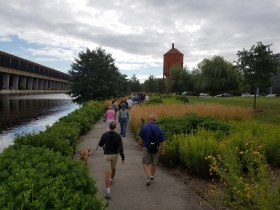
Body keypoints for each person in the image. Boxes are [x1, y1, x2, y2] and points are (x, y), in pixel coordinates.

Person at [98, 121, 125, 199]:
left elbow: (100, 144)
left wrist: (101, 143)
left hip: (107, 155)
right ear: (115, 127)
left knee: (107, 173)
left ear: (109, 126)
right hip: (115, 155)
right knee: (113, 169)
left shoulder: (105, 135)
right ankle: (112, 179)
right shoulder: (118, 136)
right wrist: (123, 157)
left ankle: (108, 191)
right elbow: (120, 148)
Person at [138, 114, 165, 186]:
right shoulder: (159, 128)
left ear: (149, 119)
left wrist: (140, 145)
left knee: (145, 163)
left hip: (147, 147)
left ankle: (149, 176)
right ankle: (152, 176)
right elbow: (162, 140)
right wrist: (163, 149)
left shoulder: (145, 127)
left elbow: (141, 137)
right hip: (156, 148)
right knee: (154, 163)